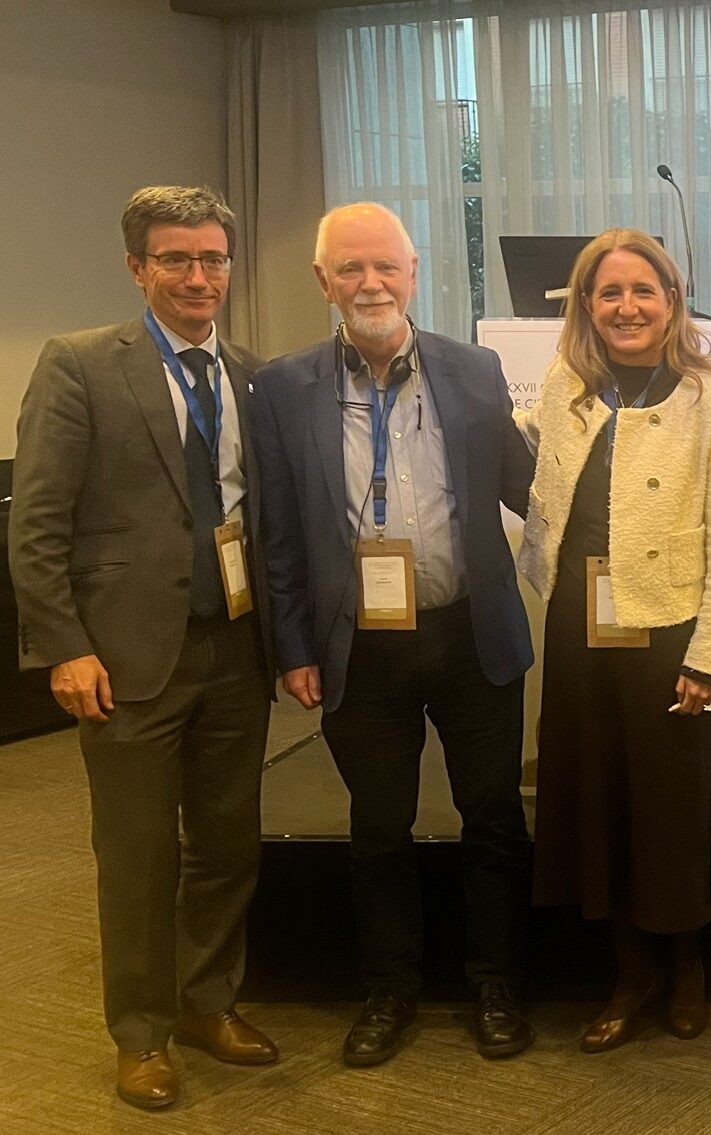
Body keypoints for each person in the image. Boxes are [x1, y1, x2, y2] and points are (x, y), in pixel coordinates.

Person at [250, 202, 538, 1067]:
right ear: (324, 281)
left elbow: (529, 485)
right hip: (359, 647)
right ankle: (389, 988)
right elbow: (279, 534)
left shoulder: (476, 369)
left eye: (386, 266)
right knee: (379, 825)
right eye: (351, 268)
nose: (370, 283)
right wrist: (293, 645)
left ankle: (496, 983)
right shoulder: (284, 387)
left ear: (414, 273)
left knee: (492, 816)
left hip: (469, 632)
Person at [8, 185, 277, 1109]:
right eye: (176, 259)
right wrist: (64, 647)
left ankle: (208, 1002)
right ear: (137, 267)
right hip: (124, 660)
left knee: (226, 844)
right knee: (136, 854)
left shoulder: (249, 374)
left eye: (213, 259)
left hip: (235, 647)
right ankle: (141, 1033)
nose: (198, 276)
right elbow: (37, 523)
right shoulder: (80, 364)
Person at [517, 228, 711, 1051]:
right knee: (597, 801)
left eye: (642, 291)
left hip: (669, 629)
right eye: (609, 292)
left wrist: (710, 658)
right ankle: (631, 971)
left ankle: (686, 962)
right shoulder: (567, 386)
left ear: (672, 301)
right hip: (580, 625)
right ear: (587, 305)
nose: (627, 307)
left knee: (670, 808)